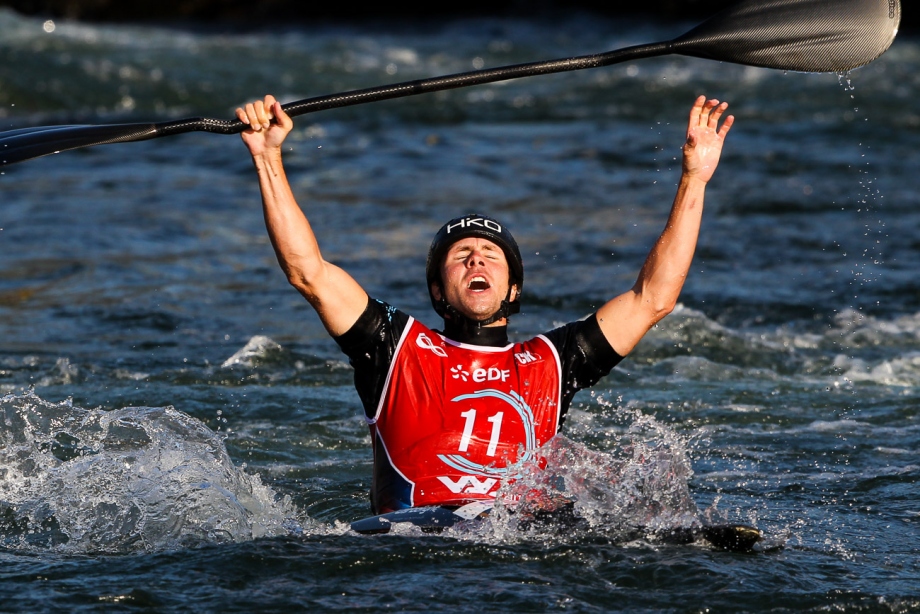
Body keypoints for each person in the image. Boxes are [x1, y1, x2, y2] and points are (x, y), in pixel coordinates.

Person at [236, 94, 734, 515]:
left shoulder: (551, 363)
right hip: (418, 539)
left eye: (491, 256)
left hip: (518, 543)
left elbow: (654, 299)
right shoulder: (395, 347)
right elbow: (310, 274)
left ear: (513, 290)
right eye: (461, 256)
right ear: (437, 290)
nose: (477, 260)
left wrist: (695, 178)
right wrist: (267, 158)